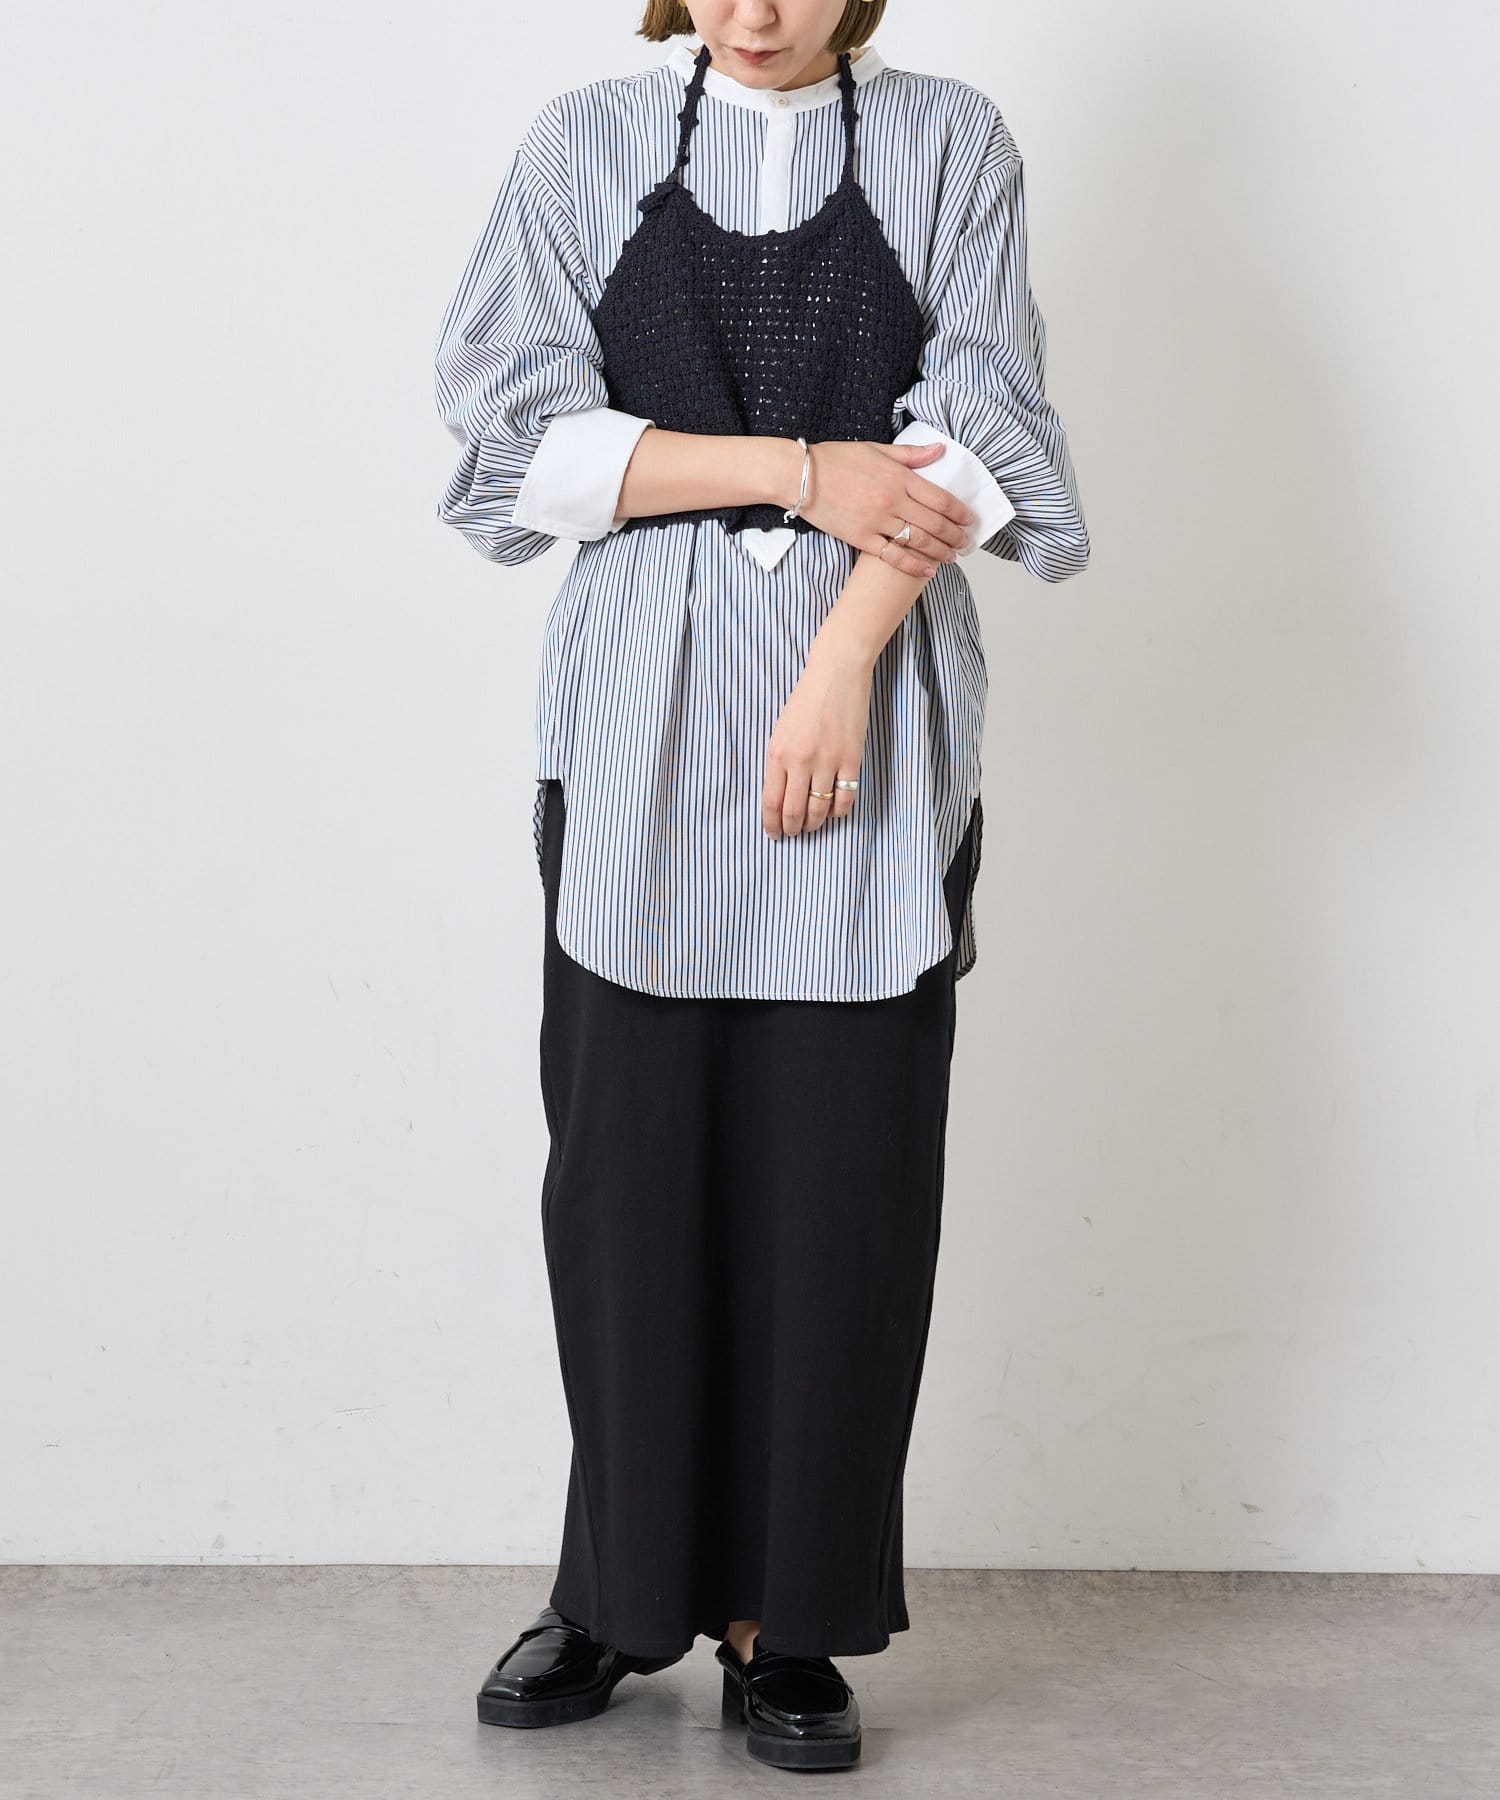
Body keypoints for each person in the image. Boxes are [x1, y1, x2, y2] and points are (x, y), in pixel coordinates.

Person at [432, 0, 1088, 1773]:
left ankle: (785, 1622)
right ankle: (619, 1592)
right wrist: (801, 469)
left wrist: (840, 659)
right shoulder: (586, 141)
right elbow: (517, 439)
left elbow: (980, 430)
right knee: (625, 1176)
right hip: (637, 713)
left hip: (870, 708)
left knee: (843, 1181)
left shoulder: (948, 140)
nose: (754, 10)